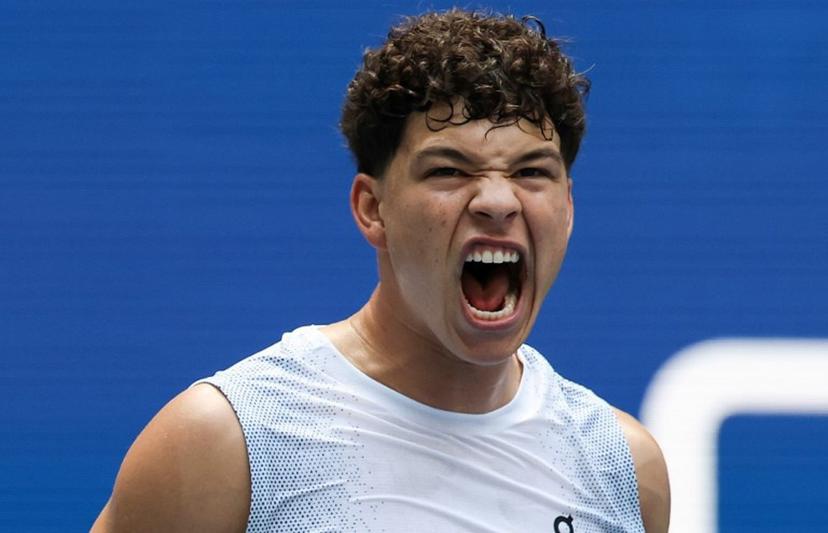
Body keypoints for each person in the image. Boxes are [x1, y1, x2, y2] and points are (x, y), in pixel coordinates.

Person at [92, 9, 669, 532]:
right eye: (448, 170)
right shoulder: (224, 444)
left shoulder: (621, 469)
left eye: (530, 172)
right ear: (374, 209)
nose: (498, 200)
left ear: (567, 208)